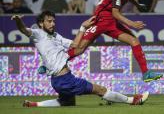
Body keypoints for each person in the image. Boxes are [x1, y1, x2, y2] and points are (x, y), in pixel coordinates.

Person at [11, 11, 149, 107]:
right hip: (65, 80)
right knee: (100, 90)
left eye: (54, 21)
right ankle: (132, 100)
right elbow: (24, 30)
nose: (53, 24)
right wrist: (18, 20)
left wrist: (83, 27)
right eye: (49, 21)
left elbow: (75, 44)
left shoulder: (56, 36)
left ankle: (34, 104)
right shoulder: (38, 34)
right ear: (41, 24)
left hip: (58, 81)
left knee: (67, 102)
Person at [67, 0, 163, 82]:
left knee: (134, 41)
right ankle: (53, 61)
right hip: (100, 20)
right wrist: (132, 24)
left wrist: (137, 4)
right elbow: (116, 13)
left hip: (110, 21)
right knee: (79, 49)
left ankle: (146, 73)